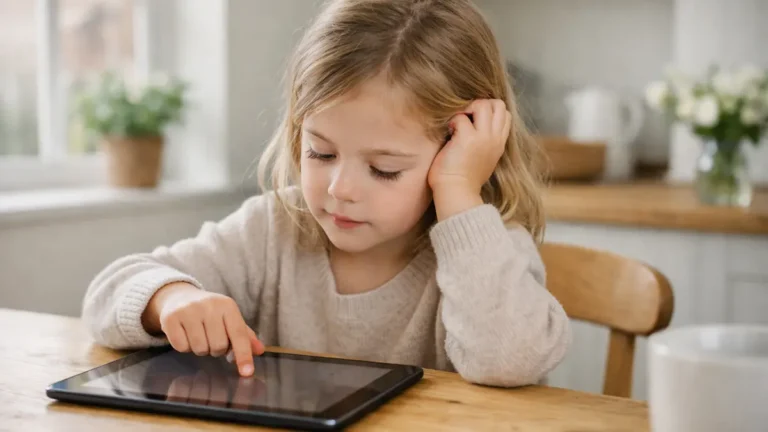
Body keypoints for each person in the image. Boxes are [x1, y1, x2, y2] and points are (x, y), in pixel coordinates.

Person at [82, 0, 571, 388]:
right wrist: (170, 300)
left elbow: (509, 361)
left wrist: (460, 195)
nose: (340, 190)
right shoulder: (272, 229)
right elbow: (107, 295)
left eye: (383, 169)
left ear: (461, 151)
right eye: (320, 153)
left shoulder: (490, 248)